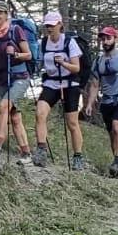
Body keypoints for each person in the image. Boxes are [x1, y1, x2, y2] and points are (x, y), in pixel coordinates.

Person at [0, 1, 34, 163]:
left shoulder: (15, 30)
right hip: (3, 78)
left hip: (20, 77)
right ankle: (27, 155)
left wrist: (15, 54)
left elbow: (28, 55)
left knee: (4, 106)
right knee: (14, 117)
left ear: (6, 14)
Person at [86, 25, 118, 177]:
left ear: (116, 39)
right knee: (112, 133)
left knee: (117, 127)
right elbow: (95, 85)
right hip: (106, 101)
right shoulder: (98, 61)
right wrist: (89, 103)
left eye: (108, 38)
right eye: (103, 39)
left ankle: (117, 161)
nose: (105, 42)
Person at [34, 11, 85, 169]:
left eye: (52, 25)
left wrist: (63, 63)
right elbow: (39, 63)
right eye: (47, 25)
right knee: (40, 113)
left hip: (69, 84)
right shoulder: (44, 43)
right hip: (51, 83)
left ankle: (78, 156)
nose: (49, 28)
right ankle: (41, 150)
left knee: (72, 122)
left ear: (60, 25)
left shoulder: (69, 42)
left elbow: (76, 68)